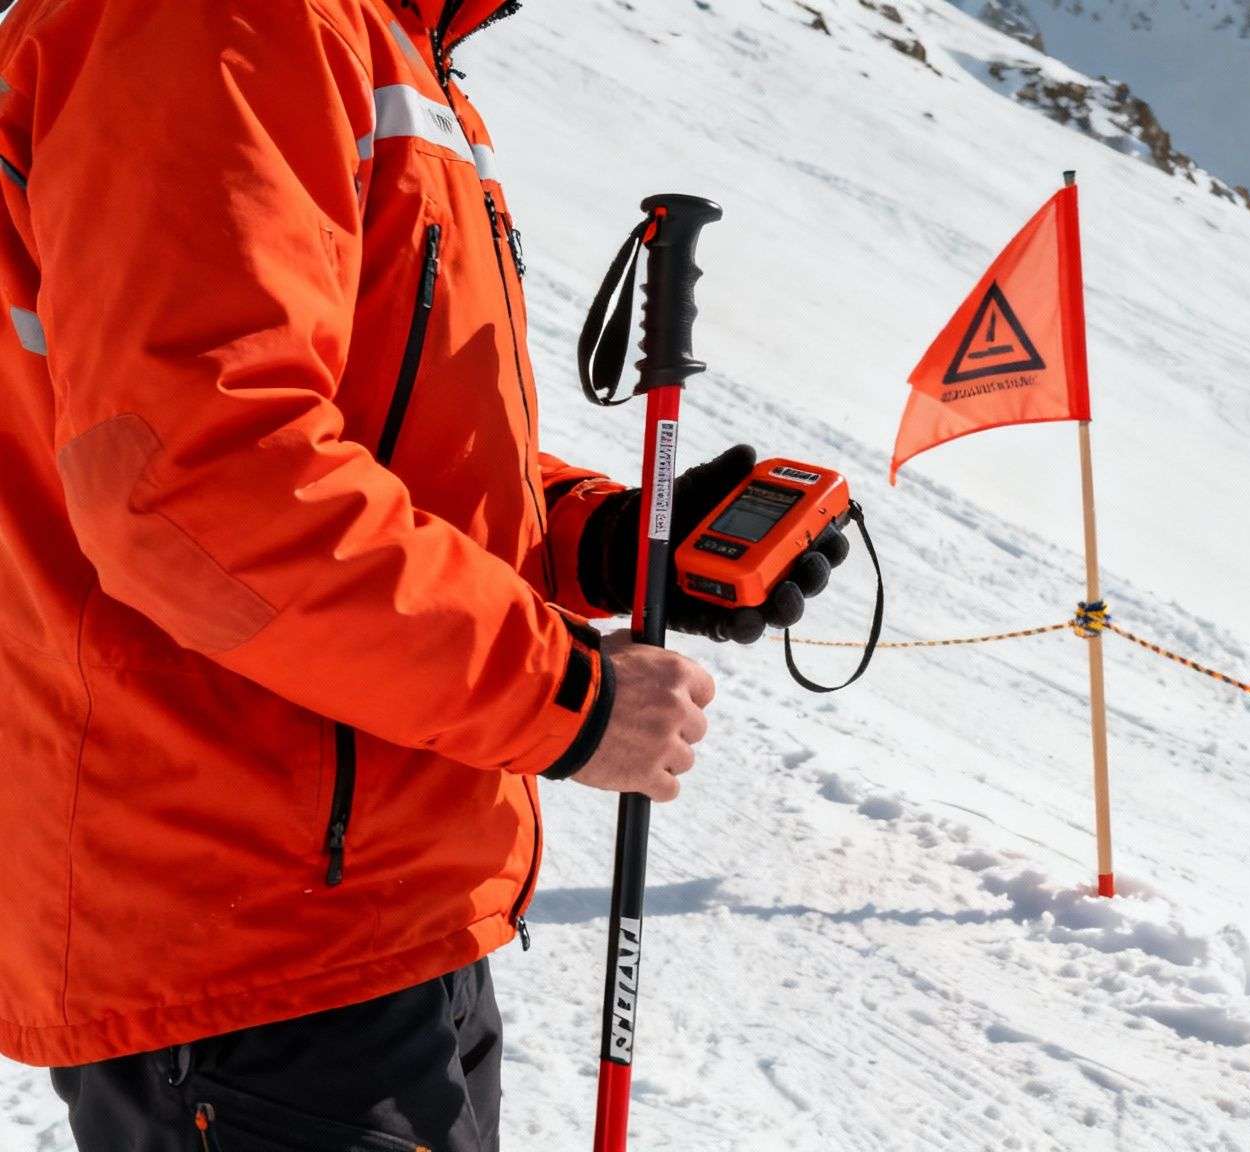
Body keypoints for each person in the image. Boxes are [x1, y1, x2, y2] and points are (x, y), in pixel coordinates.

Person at [0, 1, 847, 1147]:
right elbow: (194, 482)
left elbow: (378, 442)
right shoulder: (225, 20)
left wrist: (601, 539)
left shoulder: (375, 38)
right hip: (251, 918)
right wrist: (564, 696)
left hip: (374, 896)